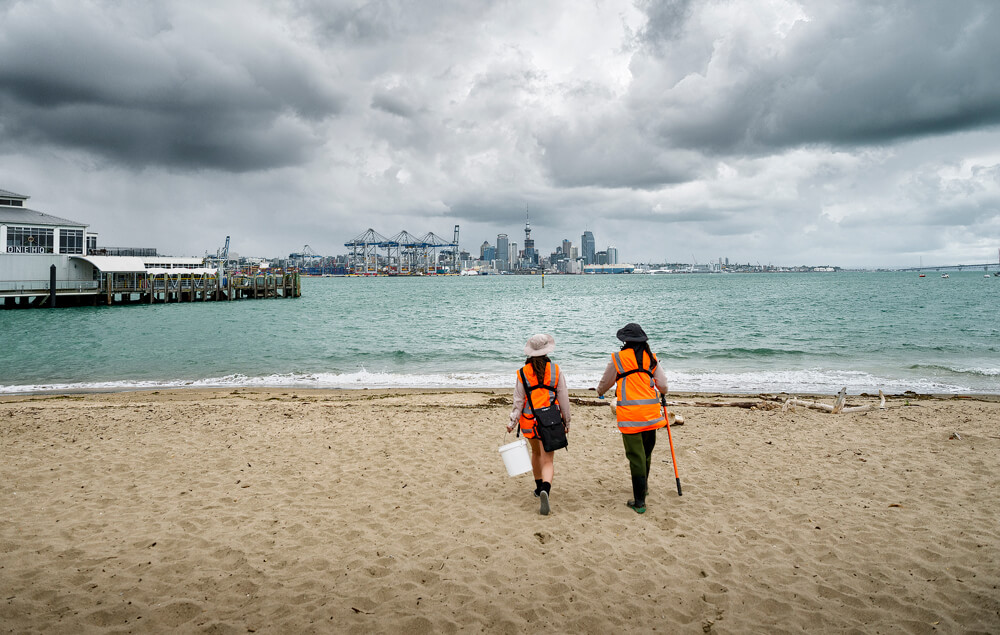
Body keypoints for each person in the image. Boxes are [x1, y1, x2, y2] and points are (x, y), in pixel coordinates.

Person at [595, 323, 668, 514]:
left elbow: (606, 382)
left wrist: (600, 392)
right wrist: (662, 392)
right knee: (646, 452)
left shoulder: (618, 358)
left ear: (625, 341)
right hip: (651, 414)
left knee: (636, 456)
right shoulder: (651, 358)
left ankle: (639, 502)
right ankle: (643, 488)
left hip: (630, 415)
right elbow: (664, 385)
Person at [507, 333, 571, 515]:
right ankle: (546, 489)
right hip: (550, 422)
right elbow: (564, 400)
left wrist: (512, 422)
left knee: (535, 453)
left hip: (529, 422)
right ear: (547, 350)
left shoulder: (522, 373)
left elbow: (518, 402)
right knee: (548, 459)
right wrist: (567, 422)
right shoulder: (556, 370)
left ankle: (537, 488)